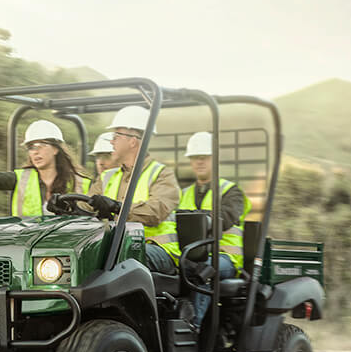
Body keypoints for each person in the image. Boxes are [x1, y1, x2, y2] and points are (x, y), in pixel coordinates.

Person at [155, 131, 252, 328]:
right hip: (190, 255)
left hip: (224, 257)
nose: (199, 162)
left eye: (204, 157)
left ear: (214, 159)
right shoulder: (183, 194)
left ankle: (192, 327)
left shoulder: (231, 191)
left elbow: (225, 218)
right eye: (194, 158)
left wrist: (200, 218)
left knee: (204, 271)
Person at [84, 105, 180, 275]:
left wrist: (116, 207)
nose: (111, 141)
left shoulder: (162, 175)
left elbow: (154, 212)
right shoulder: (107, 176)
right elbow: (86, 204)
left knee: (117, 258)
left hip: (156, 248)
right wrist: (65, 206)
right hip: (115, 246)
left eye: (116, 136)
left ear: (132, 141)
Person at [0, 119, 91, 217]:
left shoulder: (80, 183)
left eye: (41, 145)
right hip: (28, 248)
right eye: (31, 147)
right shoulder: (21, 178)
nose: (35, 152)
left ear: (55, 149)